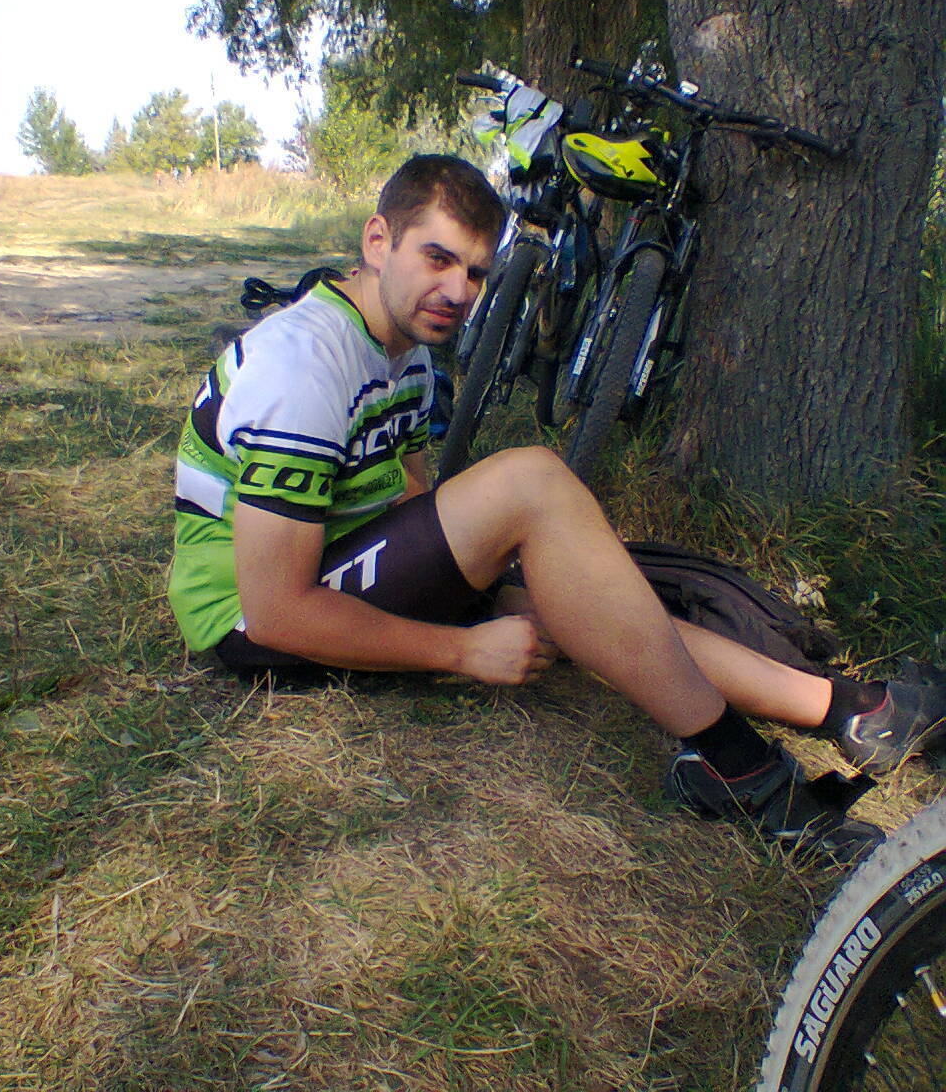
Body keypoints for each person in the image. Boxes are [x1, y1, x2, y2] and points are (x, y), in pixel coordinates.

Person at [169, 154, 946, 866]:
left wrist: (495, 571)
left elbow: (407, 501)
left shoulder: (408, 354)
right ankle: (744, 770)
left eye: (476, 272)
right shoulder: (306, 363)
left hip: (341, 564)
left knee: (589, 598)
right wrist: (462, 650)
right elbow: (276, 612)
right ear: (379, 241)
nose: (459, 292)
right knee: (532, 483)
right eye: (437, 258)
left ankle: (849, 711)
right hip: (252, 624)